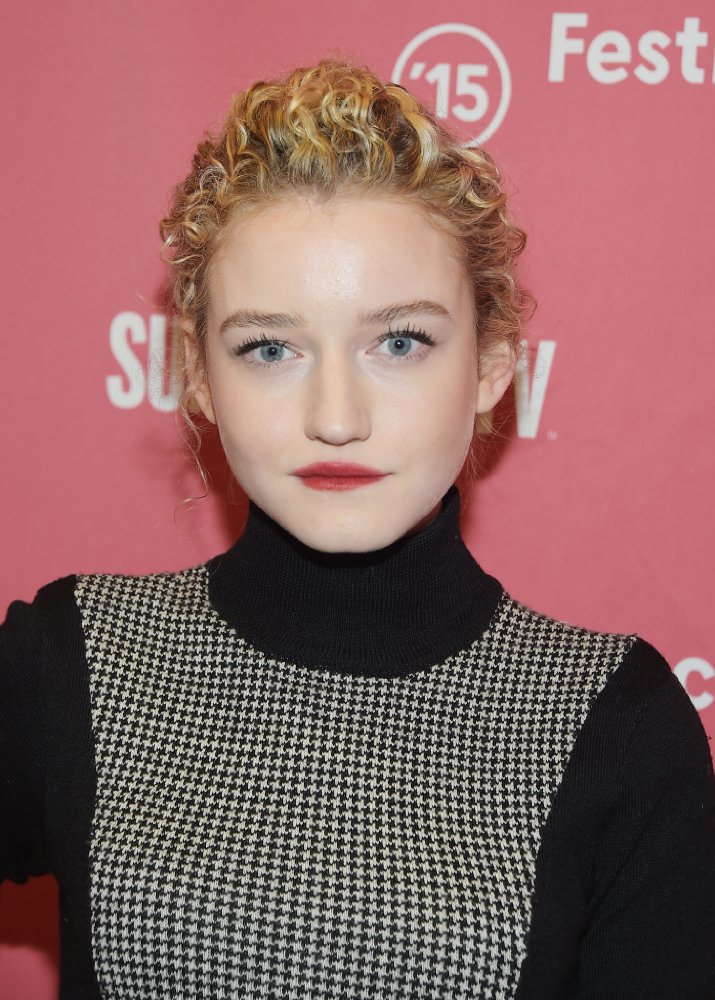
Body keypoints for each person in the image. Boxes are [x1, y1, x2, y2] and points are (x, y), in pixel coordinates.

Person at [1, 56, 714, 1000]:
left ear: (493, 365)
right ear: (199, 376)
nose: (336, 417)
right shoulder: (72, 662)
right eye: (269, 347)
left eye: (399, 342)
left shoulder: (614, 722)